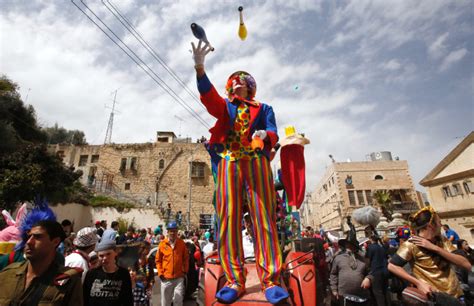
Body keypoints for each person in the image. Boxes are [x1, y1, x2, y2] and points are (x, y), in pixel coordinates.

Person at [191, 39, 288, 304]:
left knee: (264, 219)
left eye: (241, 80)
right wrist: (200, 69)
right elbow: (209, 99)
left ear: (250, 86)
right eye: (233, 81)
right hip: (229, 162)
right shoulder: (225, 106)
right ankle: (234, 279)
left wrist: (264, 135)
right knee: (228, 219)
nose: (236, 83)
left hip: (255, 162)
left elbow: (273, 132)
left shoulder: (264, 108)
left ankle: (270, 280)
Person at [388, 206, 471, 302]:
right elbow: (392, 266)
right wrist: (418, 283)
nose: (441, 225)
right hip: (435, 299)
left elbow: (466, 264)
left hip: (457, 295)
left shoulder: (442, 240)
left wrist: (435, 248)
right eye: (439, 222)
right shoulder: (411, 244)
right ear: (430, 226)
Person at [0, 220, 83, 305]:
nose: (29, 242)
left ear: (55, 242)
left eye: (38, 237)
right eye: (29, 237)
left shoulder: (68, 282)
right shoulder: (7, 274)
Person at [330, 222, 372, 306]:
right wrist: (334, 290)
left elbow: (371, 272)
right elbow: (333, 274)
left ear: (355, 247)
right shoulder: (338, 258)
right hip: (344, 296)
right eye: (347, 244)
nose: (349, 247)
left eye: (351, 245)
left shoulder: (363, 259)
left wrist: (368, 278)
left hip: (361, 296)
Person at [83, 238, 133, 306]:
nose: (105, 258)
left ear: (115, 253)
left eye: (108, 254)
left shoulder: (123, 274)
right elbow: (85, 298)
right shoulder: (91, 274)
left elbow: (128, 300)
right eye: (101, 256)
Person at [155, 221, 189, 306]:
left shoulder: (181, 243)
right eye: (171, 231)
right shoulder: (162, 244)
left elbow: (186, 258)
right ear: (168, 232)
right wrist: (160, 274)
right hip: (166, 278)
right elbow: (158, 260)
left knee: (178, 301)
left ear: (177, 231)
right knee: (166, 302)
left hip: (179, 278)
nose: (173, 233)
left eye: (174, 231)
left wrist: (184, 271)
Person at [365, 235, 389, 306]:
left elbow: (368, 260)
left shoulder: (370, 247)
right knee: (385, 291)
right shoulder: (381, 247)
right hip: (384, 270)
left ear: (371, 239)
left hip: (375, 272)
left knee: (378, 293)